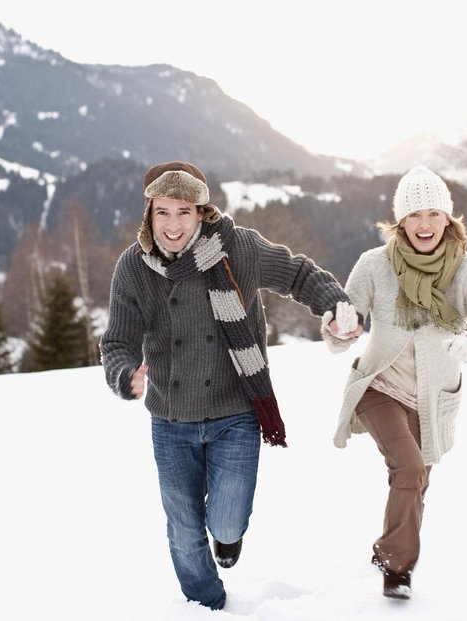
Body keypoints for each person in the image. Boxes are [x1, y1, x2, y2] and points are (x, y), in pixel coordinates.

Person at [100, 160, 361, 610]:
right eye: (163, 212)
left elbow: (297, 274)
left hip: (235, 413)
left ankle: (227, 537)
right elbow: (117, 341)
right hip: (171, 420)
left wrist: (335, 304)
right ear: (150, 214)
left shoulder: (237, 248)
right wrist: (125, 374)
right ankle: (205, 606)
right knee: (183, 532)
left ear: (202, 212)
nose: (173, 224)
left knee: (226, 520)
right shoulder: (134, 268)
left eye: (184, 212)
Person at [322, 165, 467, 600]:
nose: (424, 224)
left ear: (448, 218)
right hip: (378, 389)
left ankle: (388, 546)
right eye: (414, 215)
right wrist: (339, 327)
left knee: (417, 480)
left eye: (433, 213)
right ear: (400, 222)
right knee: (408, 468)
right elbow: (341, 327)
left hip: (433, 400)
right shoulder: (374, 265)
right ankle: (397, 568)